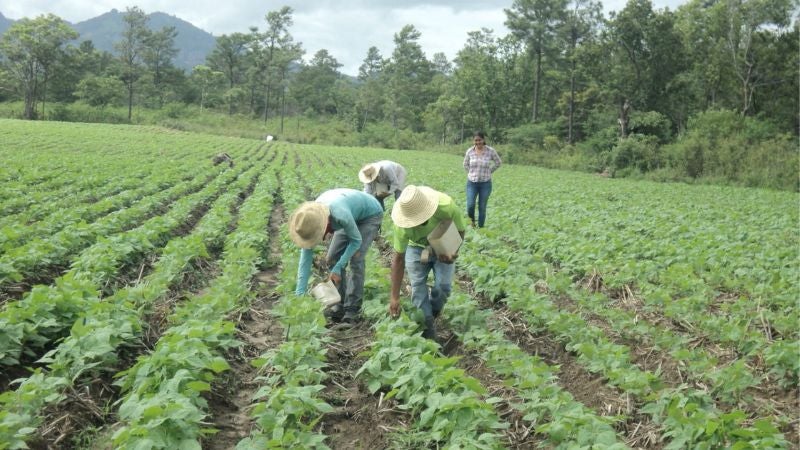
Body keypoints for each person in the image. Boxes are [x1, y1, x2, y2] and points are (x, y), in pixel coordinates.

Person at [290, 188, 384, 323]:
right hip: (349, 211)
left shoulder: (340, 215)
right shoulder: (309, 223)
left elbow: (356, 241)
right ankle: (338, 304)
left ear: (324, 226)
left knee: (356, 258)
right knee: (332, 257)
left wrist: (339, 267)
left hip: (369, 214)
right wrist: (299, 294)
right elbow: (305, 262)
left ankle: (352, 309)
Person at [388, 185, 466, 339]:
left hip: (442, 242)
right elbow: (398, 259)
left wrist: (452, 250)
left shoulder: (445, 206)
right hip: (415, 249)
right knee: (417, 288)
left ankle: (432, 312)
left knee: (444, 286)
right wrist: (394, 297)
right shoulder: (401, 227)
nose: (416, 224)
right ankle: (428, 332)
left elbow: (460, 229)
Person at [463, 131, 501, 228]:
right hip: (472, 183)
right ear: (473, 141)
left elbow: (498, 163)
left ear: (483, 140)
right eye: (476, 140)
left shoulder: (490, 151)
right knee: (470, 205)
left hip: (485, 184)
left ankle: (481, 228)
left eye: (479, 140)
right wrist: (471, 172)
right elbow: (465, 164)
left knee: (482, 207)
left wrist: (490, 171)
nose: (478, 142)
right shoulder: (470, 151)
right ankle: (472, 224)